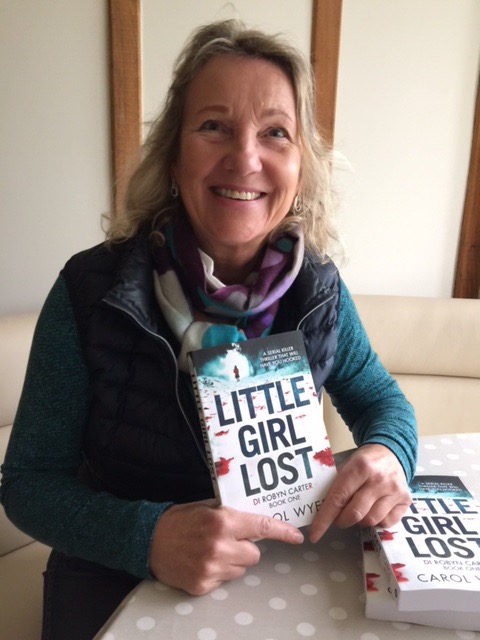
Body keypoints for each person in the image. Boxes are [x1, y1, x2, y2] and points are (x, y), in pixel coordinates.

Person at [0, 19, 417, 640]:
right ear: (174, 152)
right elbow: (29, 483)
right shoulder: (92, 291)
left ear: (300, 165)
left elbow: (382, 400)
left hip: (277, 568)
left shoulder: (318, 289)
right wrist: (147, 538)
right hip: (118, 575)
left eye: (275, 132)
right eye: (214, 125)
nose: (245, 158)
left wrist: (390, 453)